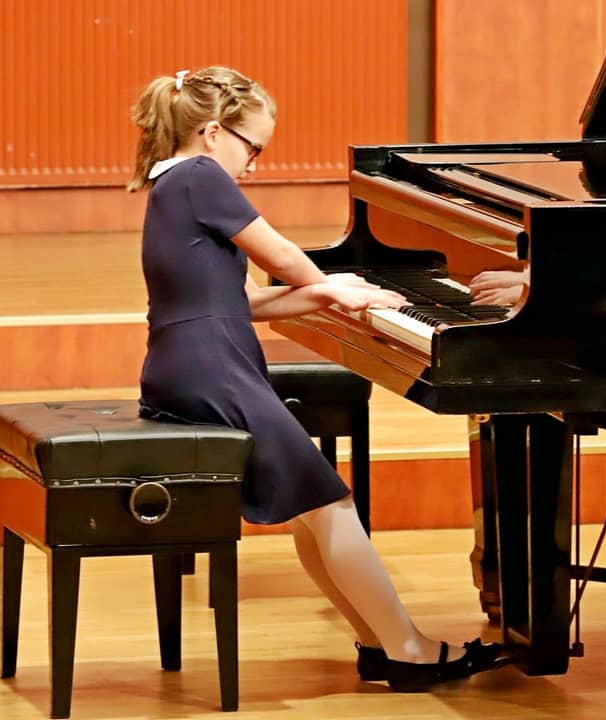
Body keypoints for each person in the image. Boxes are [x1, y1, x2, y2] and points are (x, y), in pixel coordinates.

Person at [127, 66, 505, 693]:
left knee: (312, 509)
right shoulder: (200, 175)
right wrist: (324, 284)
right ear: (215, 133)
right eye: (253, 149)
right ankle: (409, 649)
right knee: (331, 505)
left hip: (192, 361)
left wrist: (333, 293)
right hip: (213, 368)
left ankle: (379, 644)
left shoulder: (172, 186)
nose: (253, 165)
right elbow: (278, 255)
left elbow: (243, 300)